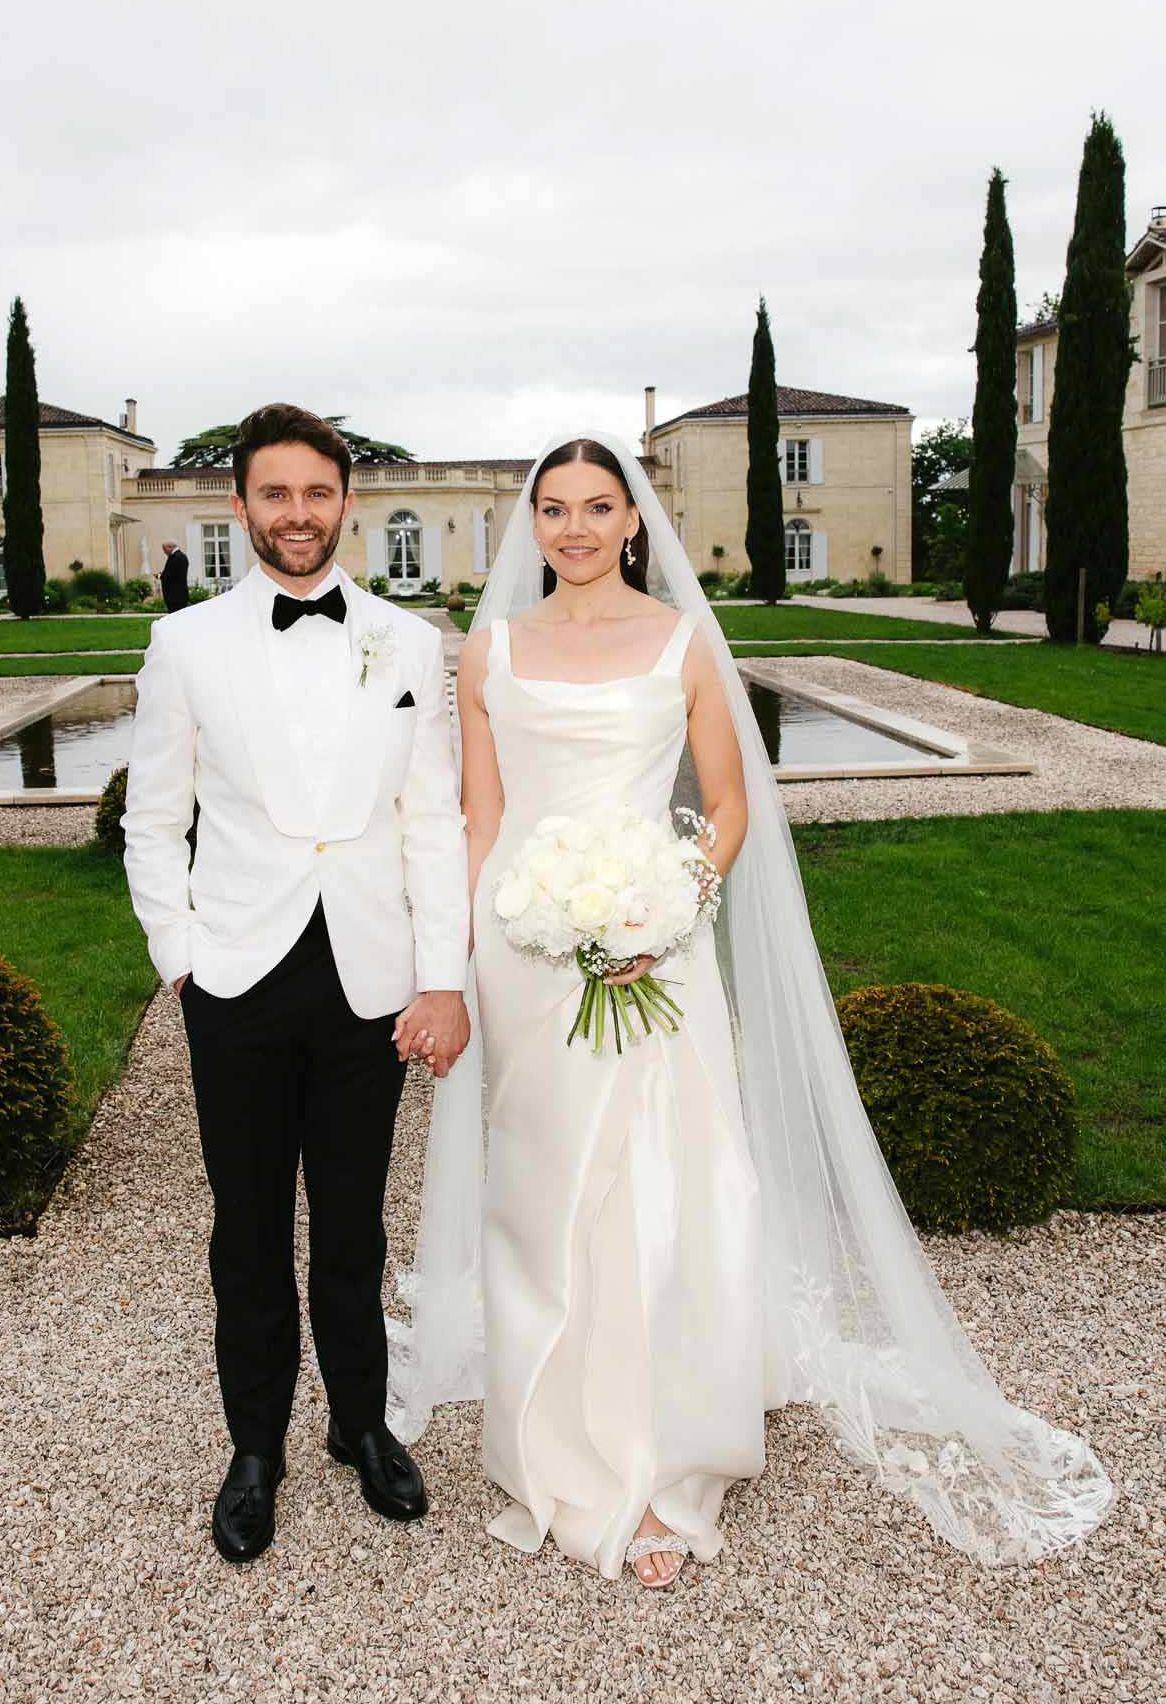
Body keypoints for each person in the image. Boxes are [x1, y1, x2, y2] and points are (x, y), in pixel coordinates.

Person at [388, 429, 1112, 1587]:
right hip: (524, 955)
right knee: (541, 1191)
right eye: (555, 508)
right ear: (534, 524)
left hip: (653, 952)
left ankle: (669, 1455)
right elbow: (480, 821)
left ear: (635, 520)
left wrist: (661, 908)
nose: (575, 527)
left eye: (598, 506)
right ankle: (553, 1430)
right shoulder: (487, 654)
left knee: (671, 1186)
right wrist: (456, 962)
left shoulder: (681, 643)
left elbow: (724, 807)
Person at [123, 404, 470, 1565]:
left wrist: (443, 977)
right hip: (239, 978)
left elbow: (433, 817)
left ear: (345, 503)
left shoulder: (410, 643)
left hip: (370, 980)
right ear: (241, 507)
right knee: (250, 1227)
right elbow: (153, 818)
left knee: (358, 1228)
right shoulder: (185, 645)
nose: (299, 514)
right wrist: (183, 956)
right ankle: (256, 1446)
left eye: (317, 493)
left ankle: (362, 1424)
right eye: (276, 494)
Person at [158, 539, 190, 613]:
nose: (164, 552)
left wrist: (160, 576)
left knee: (175, 618)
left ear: (170, 547)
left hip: (174, 596)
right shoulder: (181, 556)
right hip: (180, 595)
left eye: (164, 549)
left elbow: (169, 576)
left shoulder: (175, 557)